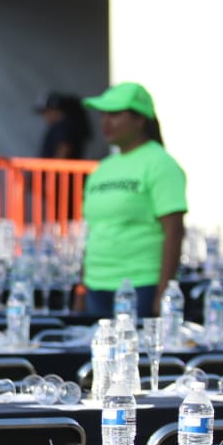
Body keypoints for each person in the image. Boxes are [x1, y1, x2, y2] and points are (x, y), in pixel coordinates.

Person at [78, 82, 186, 318]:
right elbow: (93, 231)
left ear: (140, 119)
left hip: (141, 285)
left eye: (115, 114)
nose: (106, 122)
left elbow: (174, 231)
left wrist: (163, 292)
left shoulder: (160, 164)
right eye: (103, 114)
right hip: (97, 285)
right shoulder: (103, 168)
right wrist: (81, 286)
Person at [35, 91, 92, 160]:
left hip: (59, 169)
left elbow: (64, 148)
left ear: (54, 109)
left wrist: (53, 169)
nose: (45, 116)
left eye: (46, 111)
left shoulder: (63, 126)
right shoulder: (61, 126)